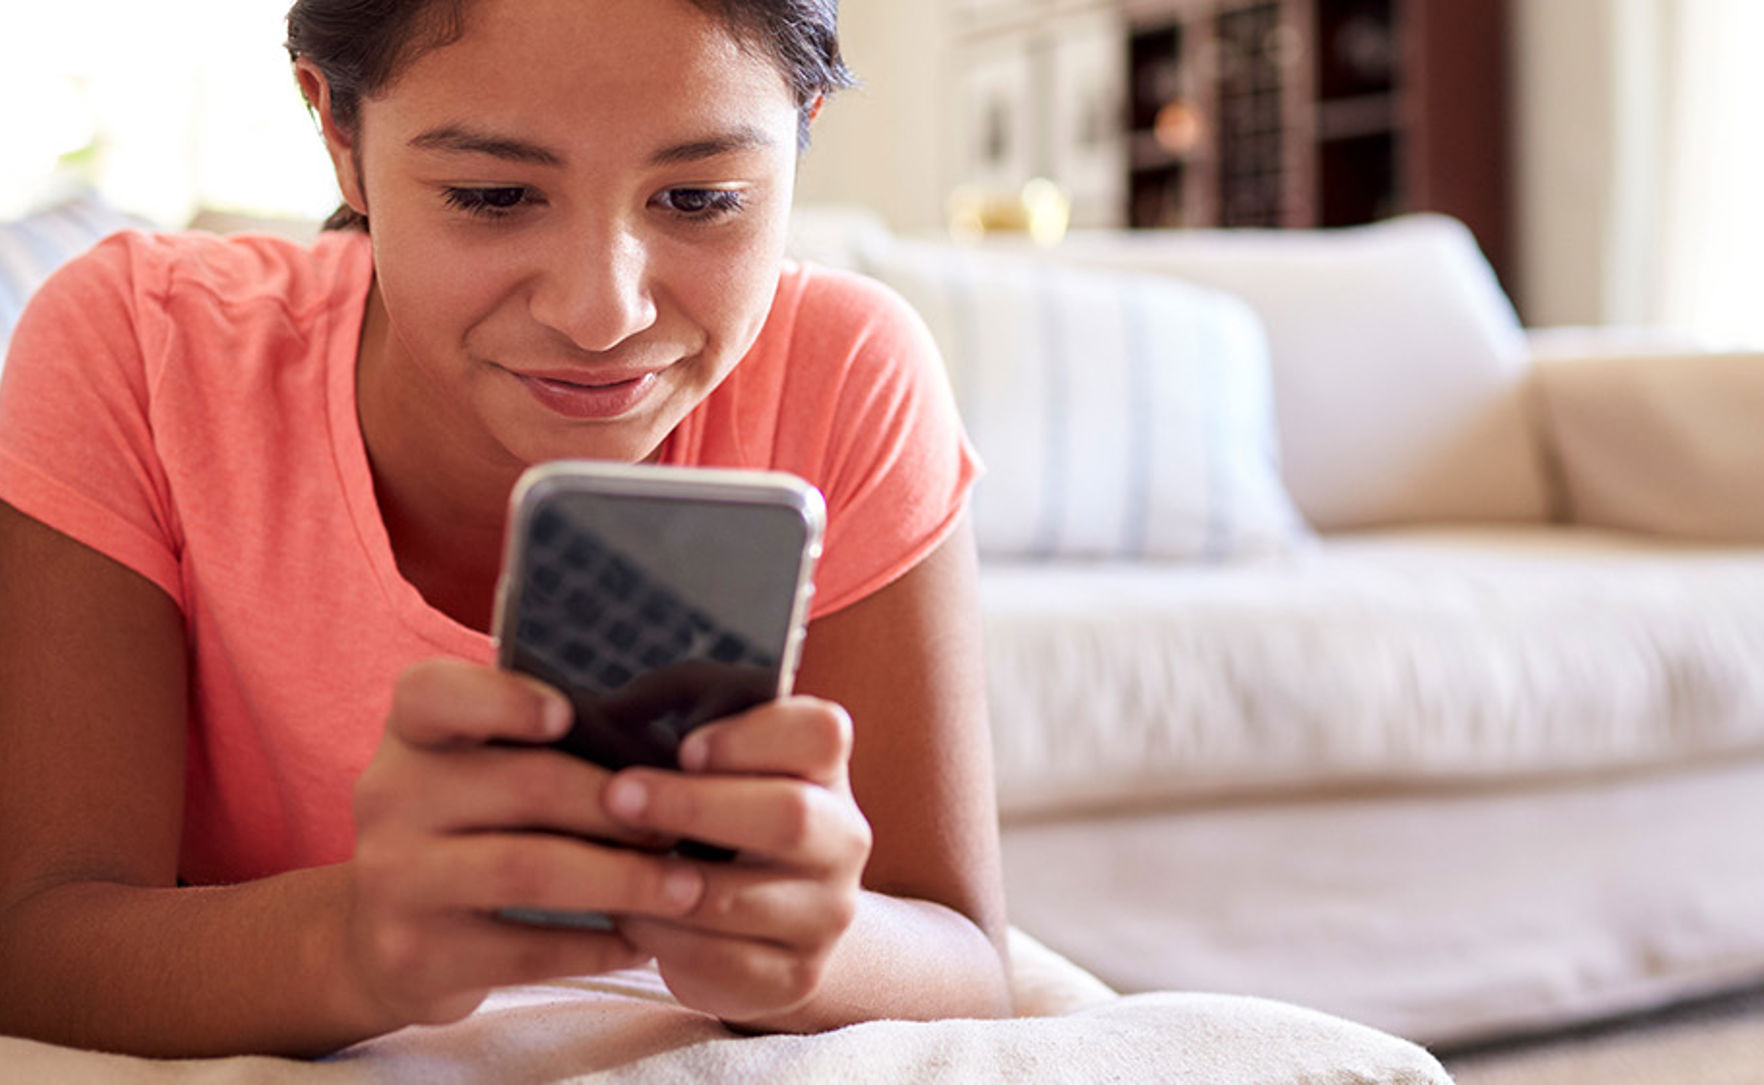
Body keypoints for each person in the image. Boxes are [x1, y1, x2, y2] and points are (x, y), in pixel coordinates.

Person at [0, 0, 1011, 1058]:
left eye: (702, 196)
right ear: (338, 130)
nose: (601, 312)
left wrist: (810, 946)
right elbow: (34, 933)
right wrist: (354, 943)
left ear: (801, 124)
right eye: (493, 195)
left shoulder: (848, 373)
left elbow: (965, 956)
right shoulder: (142, 351)